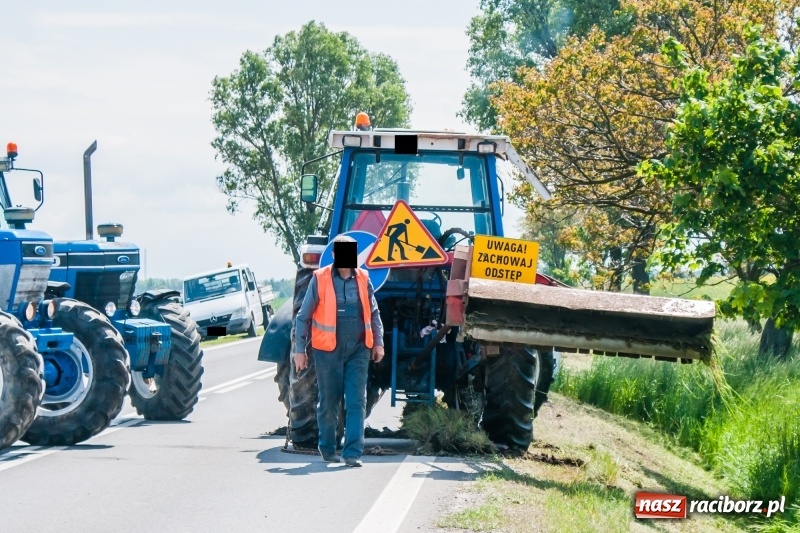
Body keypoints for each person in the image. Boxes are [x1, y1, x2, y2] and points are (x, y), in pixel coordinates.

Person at [293, 235, 385, 467]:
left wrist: (378, 343)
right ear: (334, 255)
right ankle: (327, 447)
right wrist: (299, 350)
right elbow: (303, 317)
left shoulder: (363, 278)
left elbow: (374, 313)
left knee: (356, 401)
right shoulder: (320, 278)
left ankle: (352, 452)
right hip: (327, 351)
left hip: (358, 350)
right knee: (329, 401)